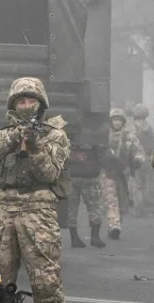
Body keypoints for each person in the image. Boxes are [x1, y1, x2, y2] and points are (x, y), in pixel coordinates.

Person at [0, 77, 74, 303]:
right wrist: (12, 137)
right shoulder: (5, 132)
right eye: (21, 101)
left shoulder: (55, 135)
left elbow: (49, 173)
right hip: (6, 210)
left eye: (31, 100)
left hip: (38, 211)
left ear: (41, 103)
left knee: (46, 280)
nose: (26, 105)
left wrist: (34, 145)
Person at [101, 108, 144, 240]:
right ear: (111, 121)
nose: (117, 123)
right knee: (110, 200)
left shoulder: (129, 136)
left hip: (124, 174)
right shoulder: (104, 136)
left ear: (123, 121)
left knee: (122, 203)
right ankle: (114, 225)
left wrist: (137, 160)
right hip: (108, 173)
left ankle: (115, 224)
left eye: (119, 120)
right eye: (115, 120)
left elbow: (139, 150)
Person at [66, 123, 105, 249]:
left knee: (72, 208)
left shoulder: (67, 133)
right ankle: (95, 237)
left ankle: (74, 239)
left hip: (72, 176)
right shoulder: (95, 133)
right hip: (90, 177)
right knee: (94, 206)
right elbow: (102, 154)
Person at [131, 104, 154, 216]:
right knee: (145, 183)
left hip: (138, 158)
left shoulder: (135, 128)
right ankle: (144, 205)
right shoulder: (149, 127)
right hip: (148, 158)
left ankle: (139, 208)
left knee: (137, 184)